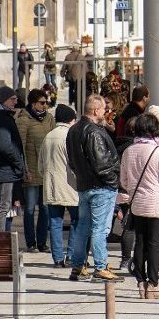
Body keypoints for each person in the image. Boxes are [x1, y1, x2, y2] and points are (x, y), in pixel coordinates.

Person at [116, 111, 159, 300]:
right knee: (155, 244)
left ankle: (141, 283)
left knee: (140, 243)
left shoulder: (128, 151)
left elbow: (124, 181)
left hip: (137, 204)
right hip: (158, 205)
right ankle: (153, 285)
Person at [66, 94, 122, 282]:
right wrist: (113, 181)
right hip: (100, 187)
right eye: (104, 109)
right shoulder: (94, 132)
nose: (106, 112)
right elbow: (102, 164)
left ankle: (78, 265)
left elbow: (72, 161)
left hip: (84, 185)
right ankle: (100, 266)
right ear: (96, 110)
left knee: (83, 227)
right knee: (99, 228)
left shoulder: (73, 130)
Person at [40, 105, 79, 267]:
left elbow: (40, 166)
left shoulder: (48, 136)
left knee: (55, 222)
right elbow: (75, 164)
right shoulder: (70, 136)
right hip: (71, 187)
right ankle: (71, 255)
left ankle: (57, 258)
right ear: (71, 119)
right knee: (77, 220)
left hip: (52, 186)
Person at [0, 86, 27, 233]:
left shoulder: (3, 116)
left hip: (7, 168)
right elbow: (5, 145)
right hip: (5, 169)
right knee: (3, 206)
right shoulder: (1, 118)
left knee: (4, 206)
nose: (15, 101)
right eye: (12, 99)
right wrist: (18, 162)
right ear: (3, 100)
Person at [16, 89, 53, 253]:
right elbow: (20, 146)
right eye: (42, 103)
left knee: (45, 208)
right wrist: (24, 169)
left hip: (46, 170)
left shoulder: (49, 118)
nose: (45, 106)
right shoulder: (24, 120)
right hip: (31, 169)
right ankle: (31, 242)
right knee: (30, 208)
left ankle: (42, 242)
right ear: (33, 103)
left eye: (46, 103)